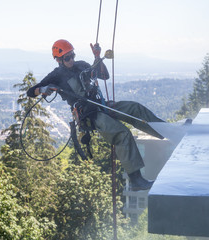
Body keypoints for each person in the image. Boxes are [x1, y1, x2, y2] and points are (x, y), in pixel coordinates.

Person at [27, 39, 165, 191]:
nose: (71, 60)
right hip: (89, 114)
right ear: (58, 59)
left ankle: (165, 131)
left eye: (72, 55)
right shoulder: (56, 76)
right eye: (67, 58)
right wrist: (43, 89)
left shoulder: (82, 65)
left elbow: (104, 75)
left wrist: (97, 57)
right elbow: (31, 91)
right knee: (122, 134)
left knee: (134, 108)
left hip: (101, 104)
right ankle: (136, 180)